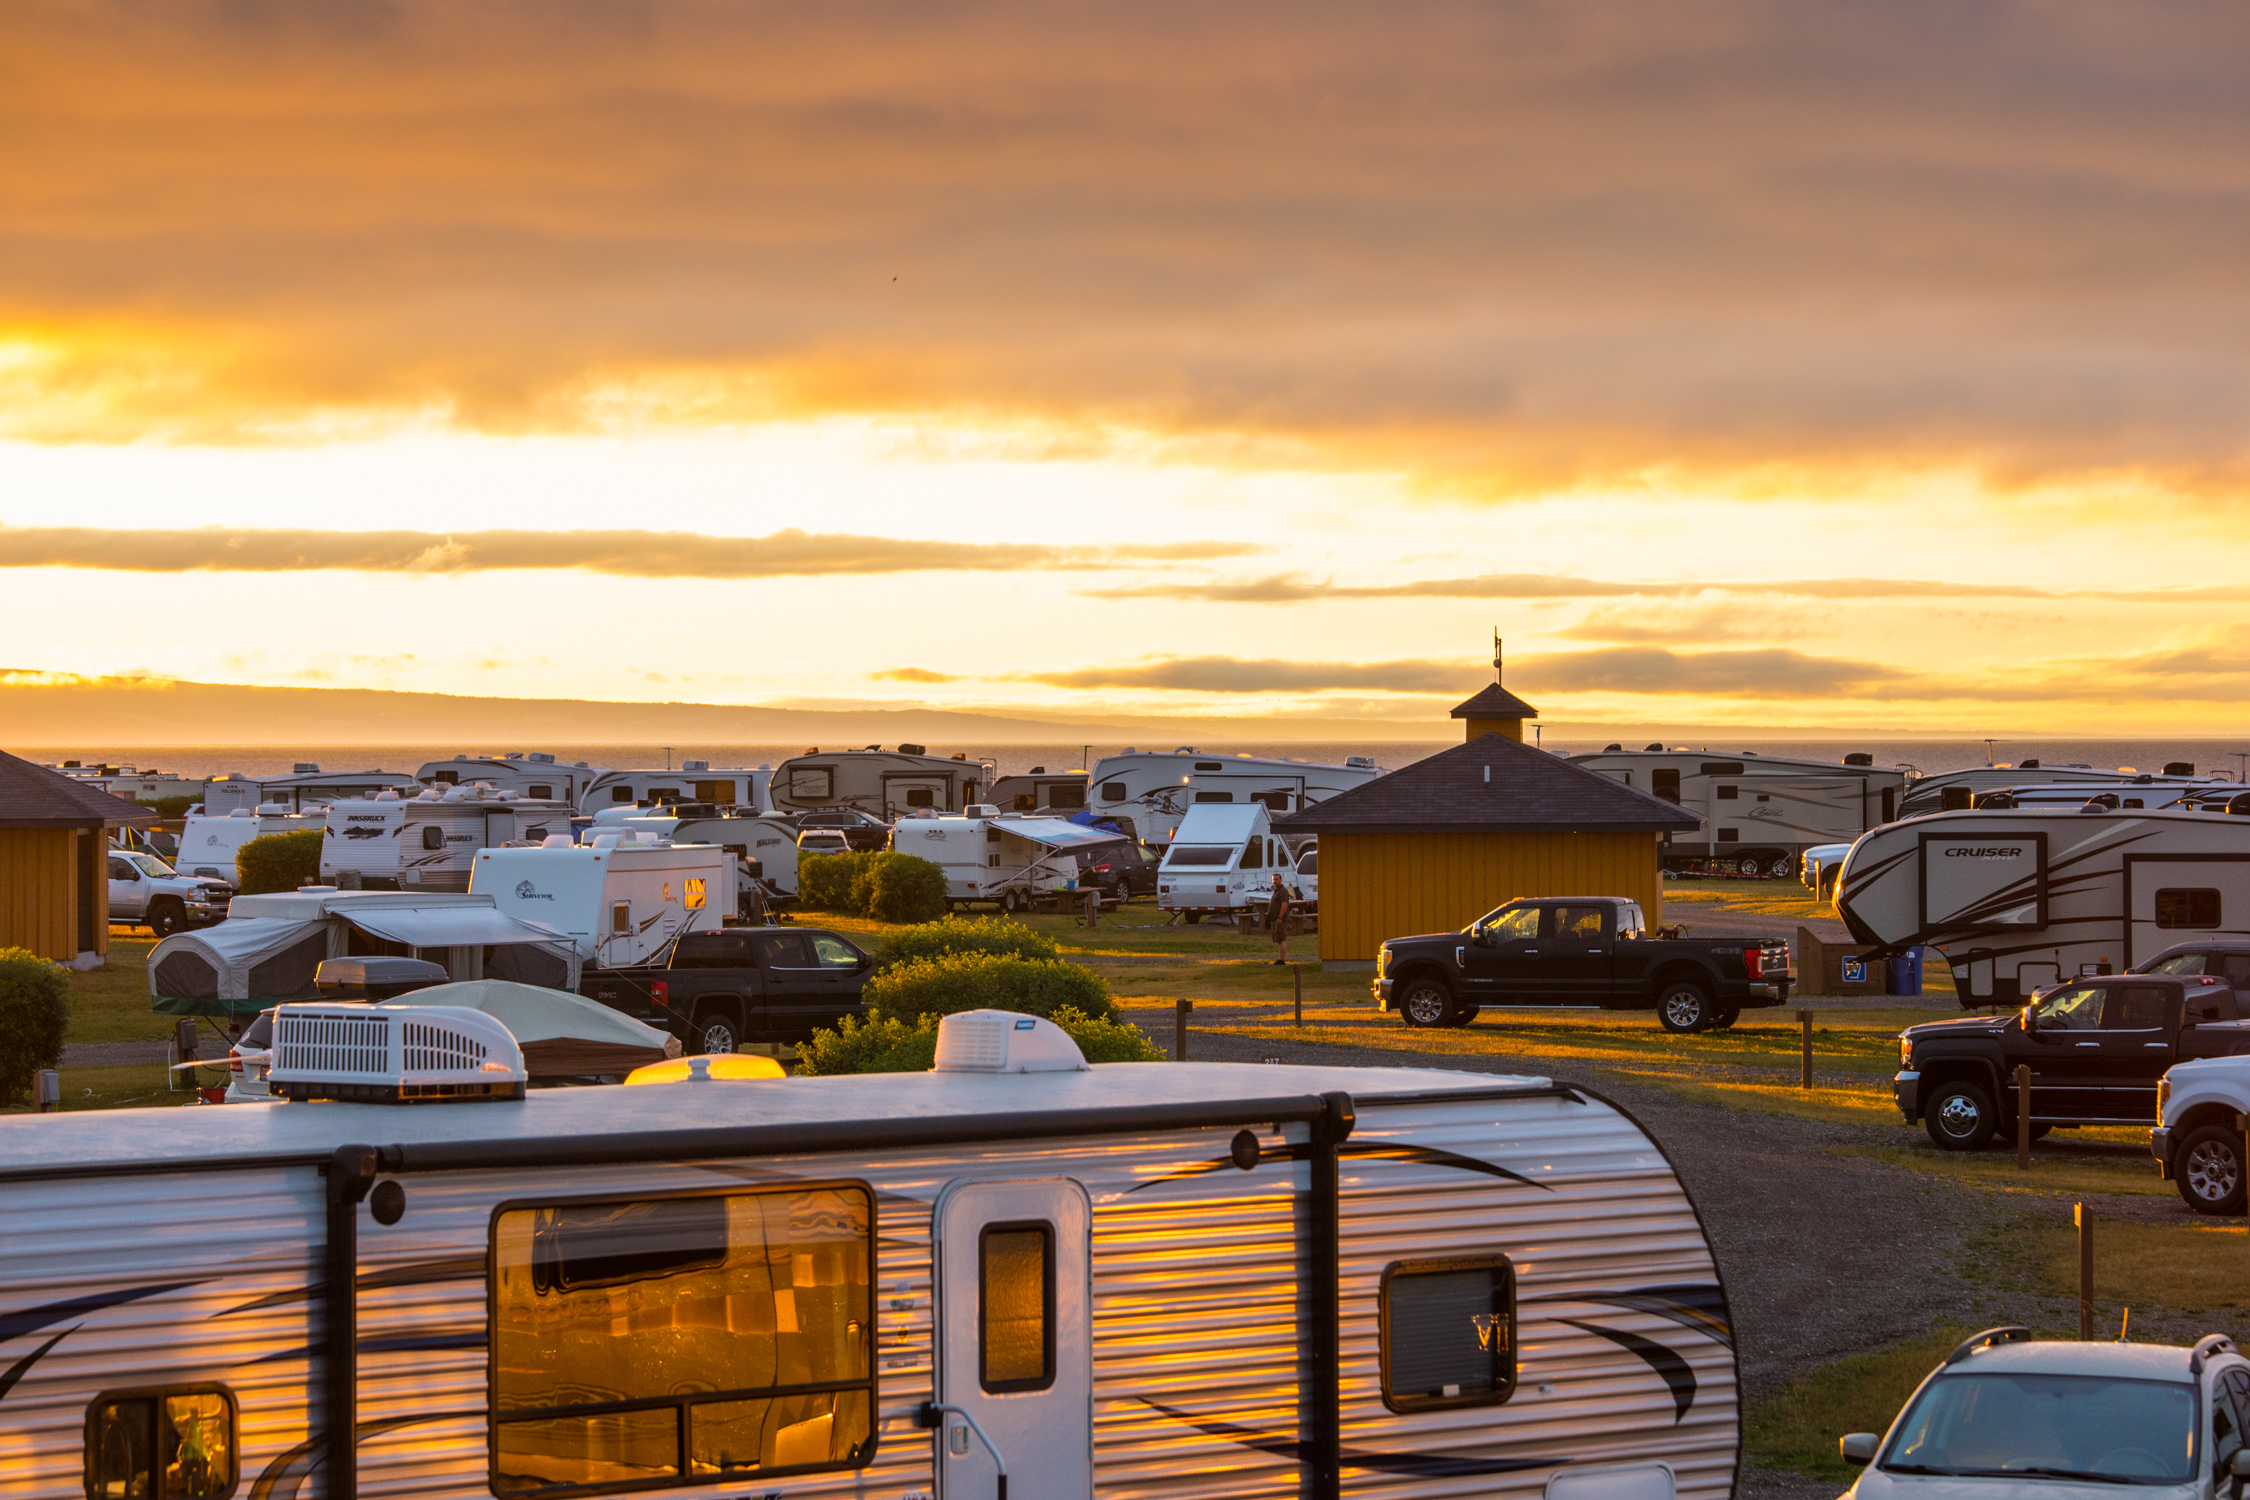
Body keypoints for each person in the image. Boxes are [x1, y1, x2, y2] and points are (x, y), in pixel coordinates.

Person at [1265, 873, 1293, 965]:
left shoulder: (1283, 891)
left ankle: (1282, 960)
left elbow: (1284, 904)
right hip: (1275, 918)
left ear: (1281, 880)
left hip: (1280, 919)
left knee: (1281, 939)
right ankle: (1280, 958)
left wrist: (1280, 917)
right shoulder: (1276, 891)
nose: (1275, 881)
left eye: (1277, 879)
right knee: (1277, 939)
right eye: (1273, 880)